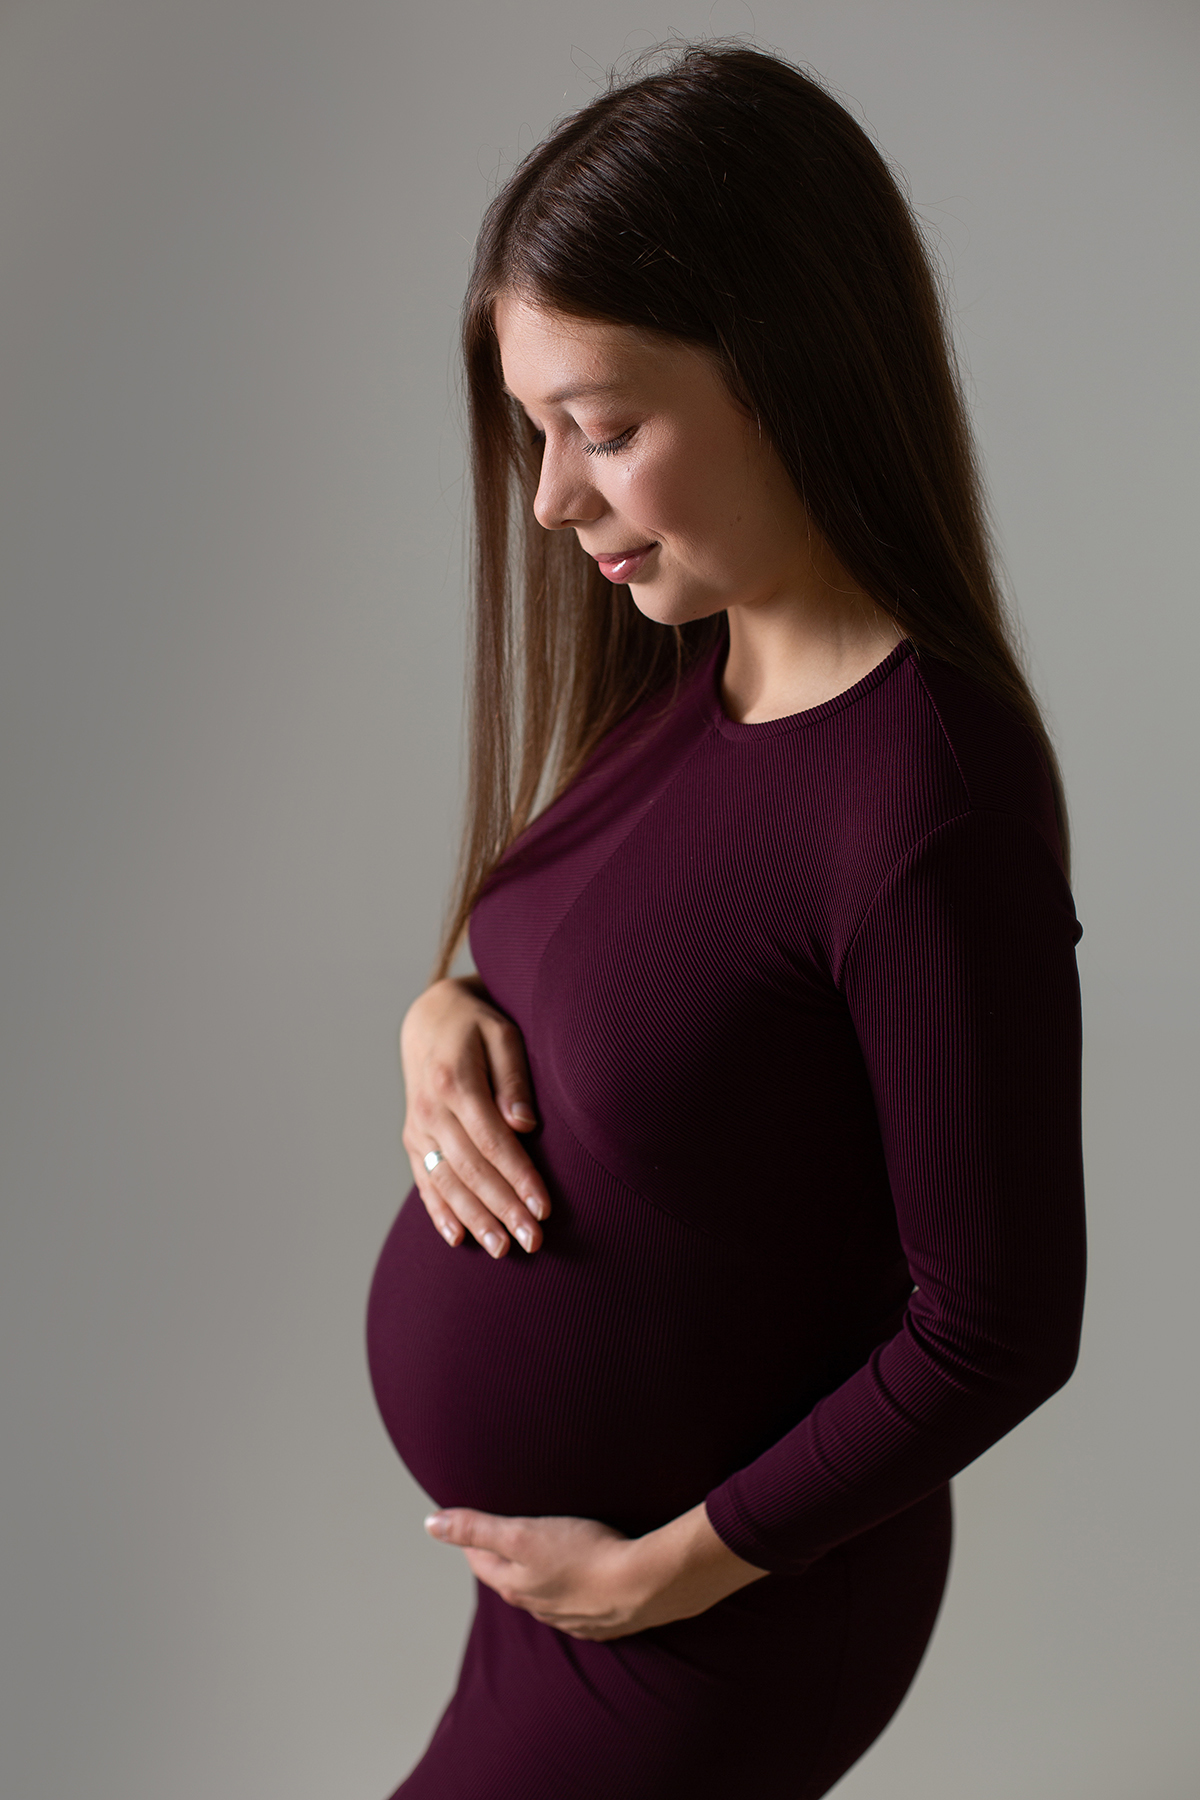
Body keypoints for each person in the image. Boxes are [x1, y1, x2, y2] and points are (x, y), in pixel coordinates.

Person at [365, 42, 1086, 1800]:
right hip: (566, 1600)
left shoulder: (925, 800)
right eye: (534, 432)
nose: (550, 501)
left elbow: (1000, 1326)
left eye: (602, 429)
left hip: (706, 1627)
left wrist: (659, 1571)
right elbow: (631, 978)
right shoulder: (693, 676)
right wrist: (438, 1015)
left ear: (789, 364)